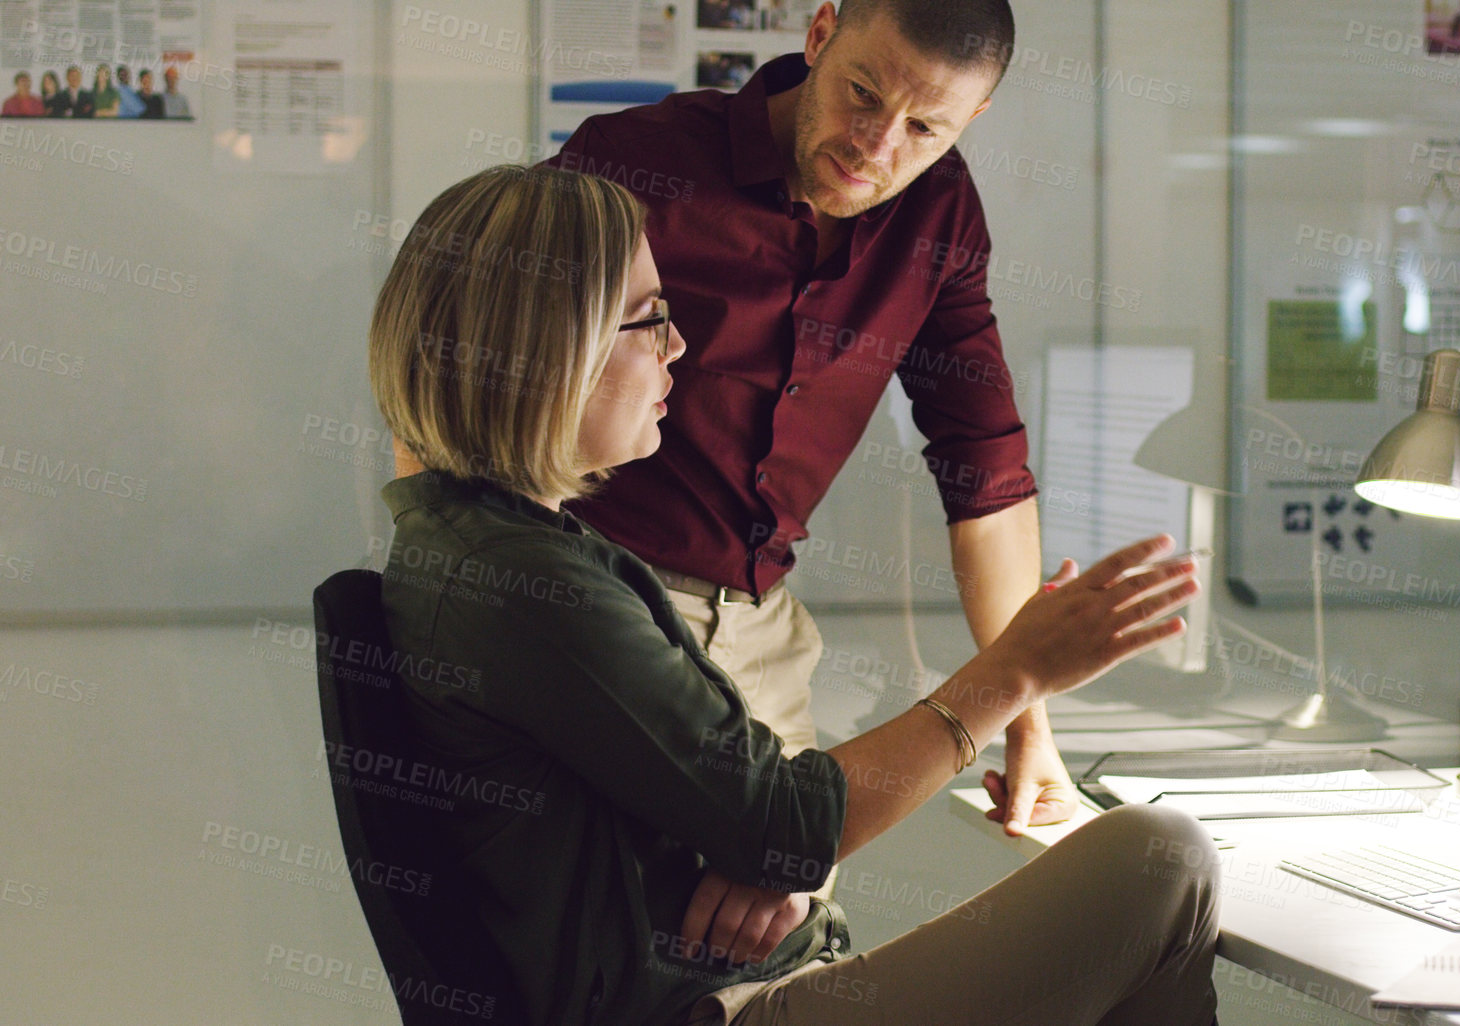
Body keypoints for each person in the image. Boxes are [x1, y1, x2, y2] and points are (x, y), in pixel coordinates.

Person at [368, 162, 1220, 1026]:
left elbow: (746, 809)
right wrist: (1016, 673)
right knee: (1164, 859)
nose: (678, 347)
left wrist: (764, 848)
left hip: (740, 978)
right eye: (648, 319)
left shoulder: (490, 541)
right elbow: (788, 821)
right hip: (722, 1010)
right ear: (548, 350)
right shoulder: (526, 586)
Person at [505, 0, 1078, 844]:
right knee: (632, 938)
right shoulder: (632, 161)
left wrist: (1029, 723)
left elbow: (984, 468)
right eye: (861, 94)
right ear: (819, 35)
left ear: (971, 122)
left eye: (925, 127)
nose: (875, 146)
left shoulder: (940, 214)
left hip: (762, 632)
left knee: (792, 932)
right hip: (592, 599)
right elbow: (471, 366)